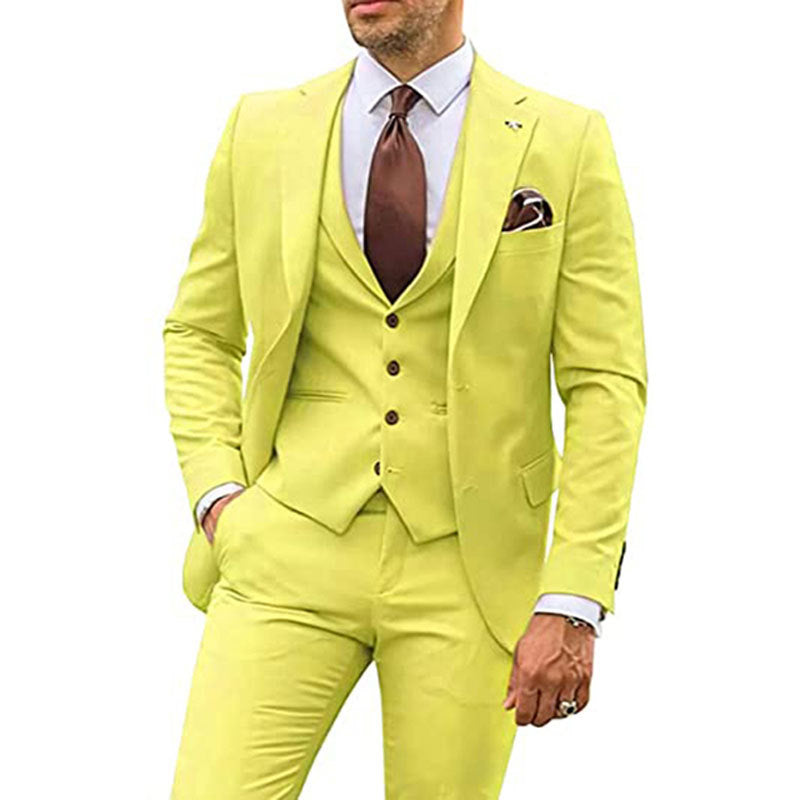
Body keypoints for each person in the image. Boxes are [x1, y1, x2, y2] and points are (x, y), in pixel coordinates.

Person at [164, 1, 647, 796]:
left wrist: (574, 594)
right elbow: (199, 331)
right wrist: (218, 495)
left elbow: (606, 383)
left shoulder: (565, 141)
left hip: (472, 563)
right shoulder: (263, 129)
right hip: (288, 541)